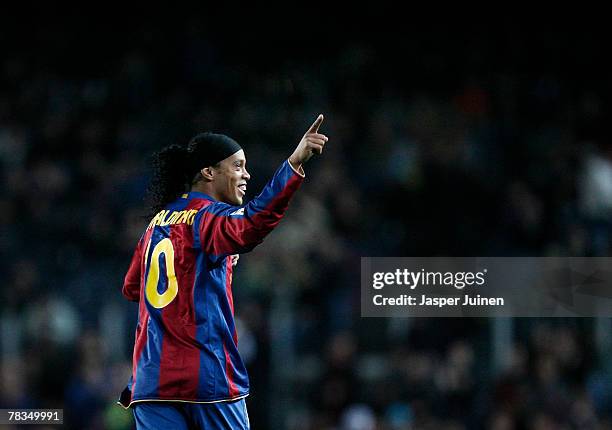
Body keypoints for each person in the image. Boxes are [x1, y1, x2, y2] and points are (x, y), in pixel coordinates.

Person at [118, 115, 328, 429]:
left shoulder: (155, 224)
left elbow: (132, 287)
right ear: (209, 172)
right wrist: (294, 163)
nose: (247, 174)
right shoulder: (208, 217)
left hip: (152, 384)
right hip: (206, 381)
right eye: (238, 166)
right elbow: (251, 225)